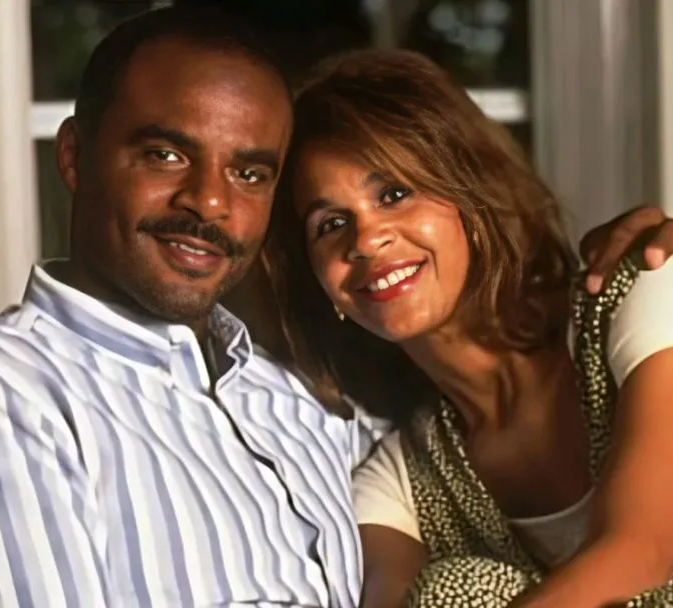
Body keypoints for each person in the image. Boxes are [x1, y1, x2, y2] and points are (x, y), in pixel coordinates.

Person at [0, 6, 671, 607]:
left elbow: (643, 541)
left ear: (471, 197)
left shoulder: (311, 408)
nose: (209, 201)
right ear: (73, 156)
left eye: (250, 172)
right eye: (166, 154)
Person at [264, 48, 673, 607]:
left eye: (394, 194)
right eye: (330, 224)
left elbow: (645, 549)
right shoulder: (399, 480)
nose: (365, 240)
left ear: (470, 201)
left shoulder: (641, 291)